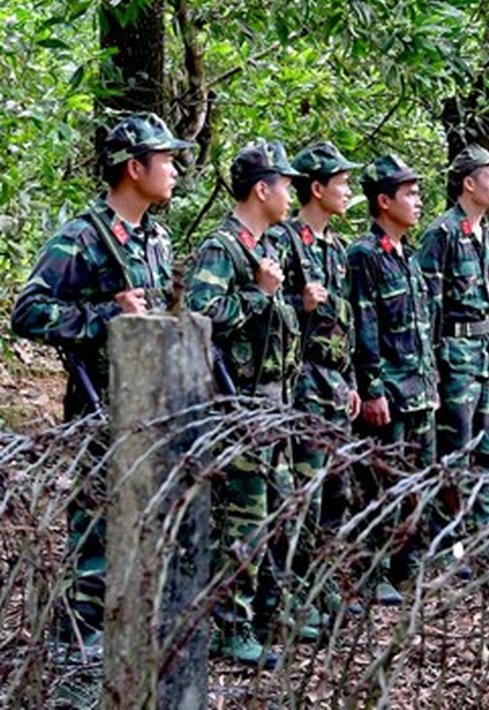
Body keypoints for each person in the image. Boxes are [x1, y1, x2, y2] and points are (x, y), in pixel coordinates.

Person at [11, 112, 192, 655]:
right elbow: (29, 312)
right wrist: (101, 318)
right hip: (100, 408)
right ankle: (80, 648)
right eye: (166, 161)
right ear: (134, 168)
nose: (176, 170)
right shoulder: (84, 238)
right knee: (96, 531)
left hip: (151, 406)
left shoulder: (155, 238)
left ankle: (132, 633)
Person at [184, 140, 301, 668]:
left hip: (271, 403)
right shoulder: (224, 248)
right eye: (286, 184)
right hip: (237, 407)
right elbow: (200, 315)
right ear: (262, 189)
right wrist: (257, 292)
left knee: (275, 512)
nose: (291, 194)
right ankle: (231, 627)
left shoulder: (266, 246)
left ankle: (264, 616)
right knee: (242, 520)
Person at [264, 141, 362, 619]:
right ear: (316, 189)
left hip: (335, 384)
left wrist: (353, 380)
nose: (346, 191)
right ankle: (296, 588)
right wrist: (298, 304)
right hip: (301, 381)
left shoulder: (337, 248)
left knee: (335, 490)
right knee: (302, 489)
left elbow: (348, 322)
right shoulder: (285, 242)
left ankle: (322, 582)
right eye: (340, 184)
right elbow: (272, 315)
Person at [415, 144, 489, 543]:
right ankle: (449, 541)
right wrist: (432, 370)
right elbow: (427, 311)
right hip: (454, 359)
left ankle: (479, 536)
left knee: (488, 450)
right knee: (454, 450)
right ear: (469, 183)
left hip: (483, 358)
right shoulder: (441, 235)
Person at [347, 154, 439, 604]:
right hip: (390, 392)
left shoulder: (410, 255)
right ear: (384, 202)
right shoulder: (364, 256)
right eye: (410, 194)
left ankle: (410, 565)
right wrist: (372, 388)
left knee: (418, 482)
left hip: (420, 390)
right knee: (381, 484)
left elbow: (423, 327)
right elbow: (365, 327)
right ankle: (373, 569)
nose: (418, 201)